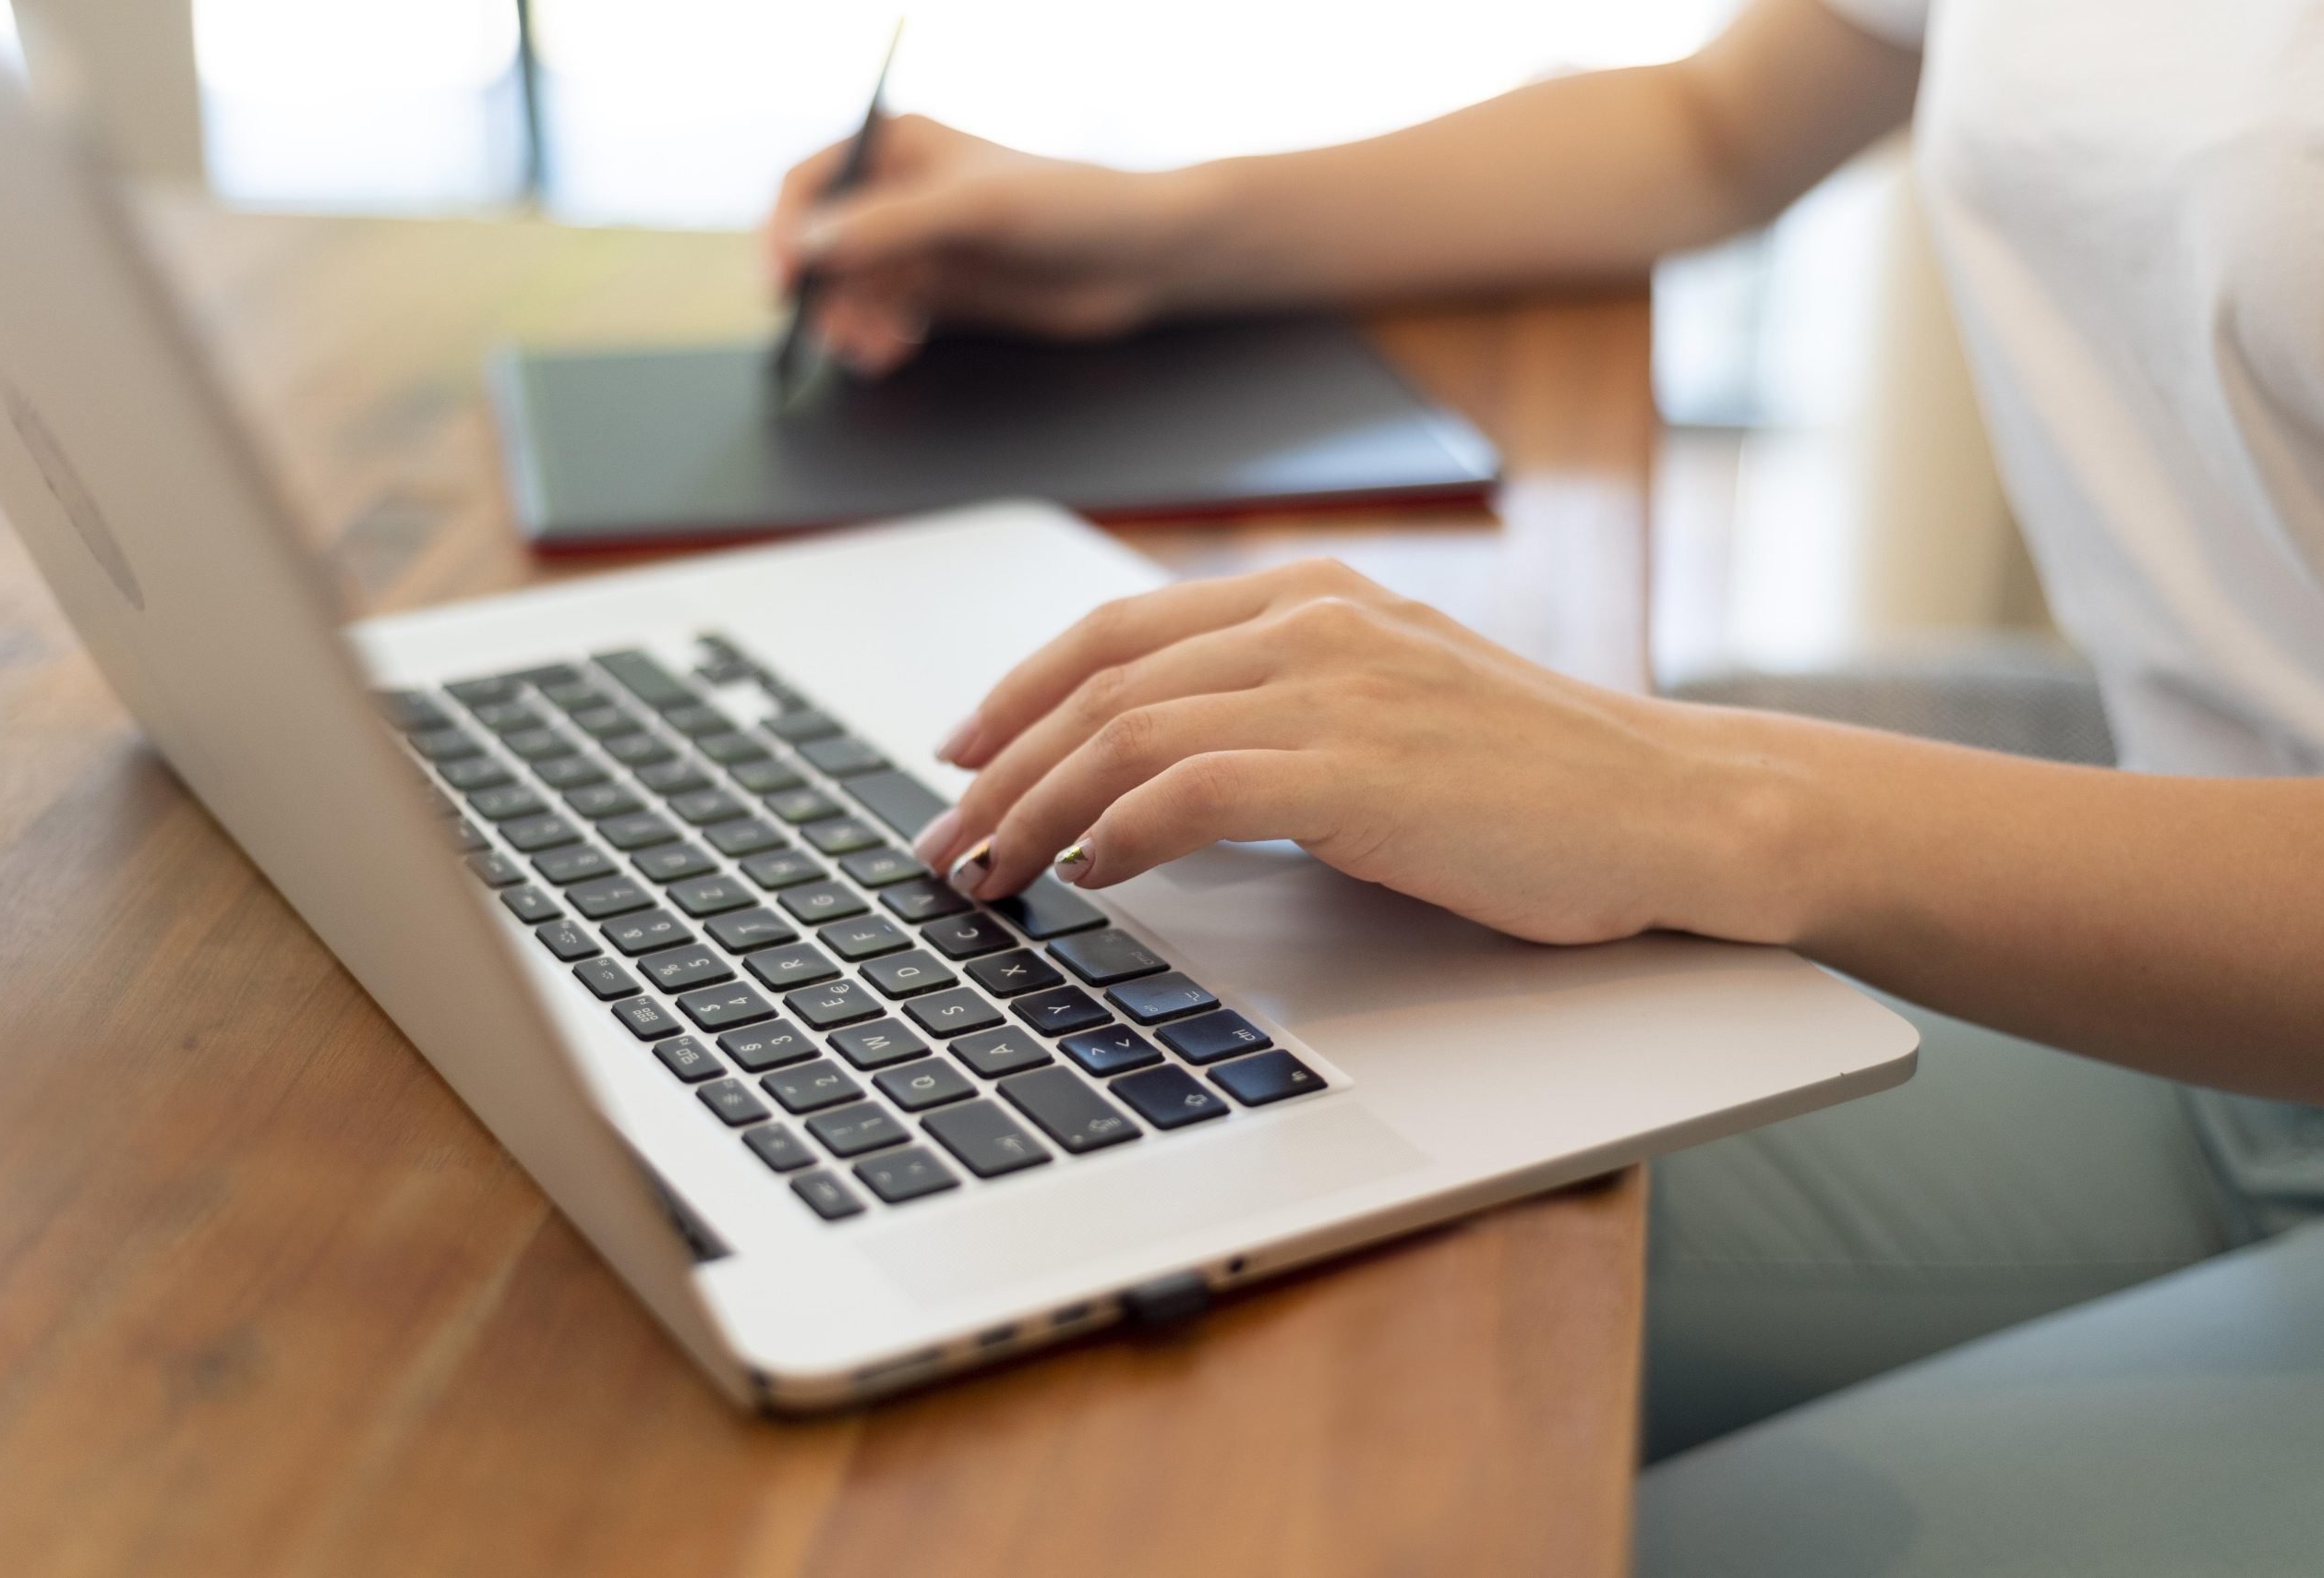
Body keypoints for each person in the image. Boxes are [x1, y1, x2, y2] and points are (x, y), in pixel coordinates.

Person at [766, 0, 2324, 1463]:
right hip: (2193, 759)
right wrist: (1154, 233)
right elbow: (1721, 124)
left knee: (1367, 1374)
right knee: (1254, 1000)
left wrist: (1714, 805)